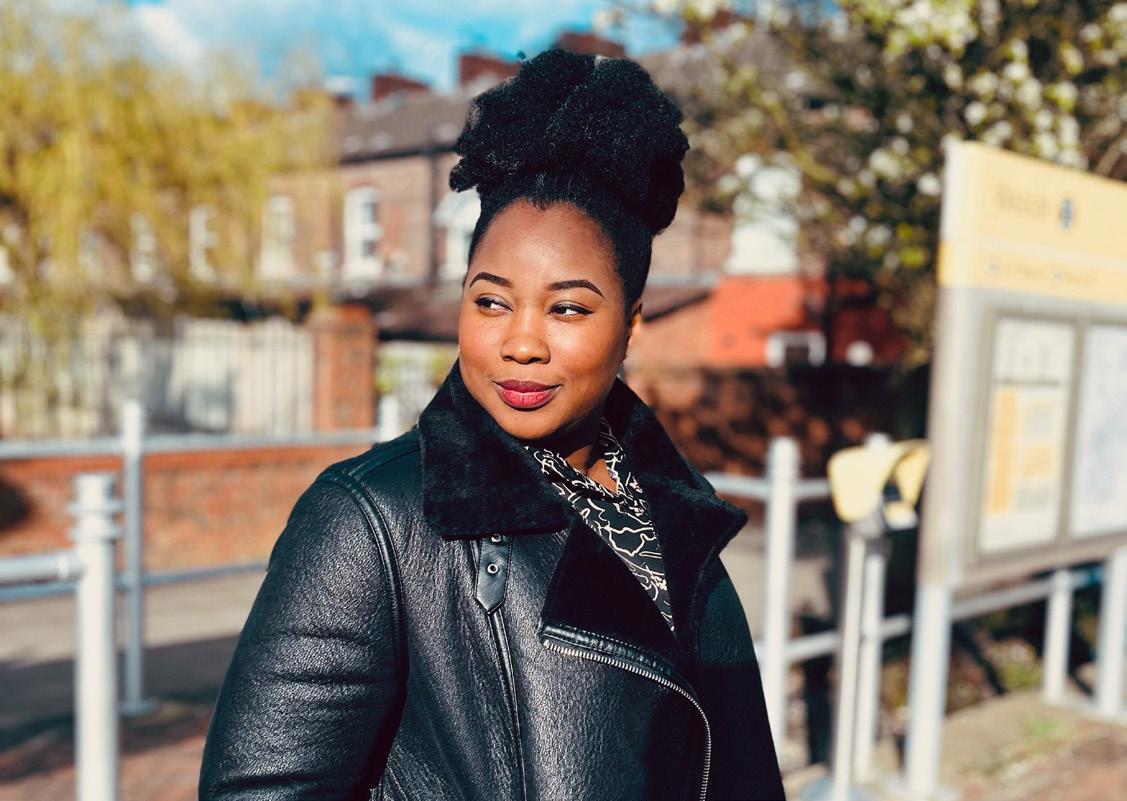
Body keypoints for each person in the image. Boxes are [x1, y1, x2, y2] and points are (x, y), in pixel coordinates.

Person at [199, 48, 785, 801]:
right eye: (491, 301)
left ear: (631, 325)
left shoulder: (680, 515)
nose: (521, 342)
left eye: (567, 307)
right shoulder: (370, 522)